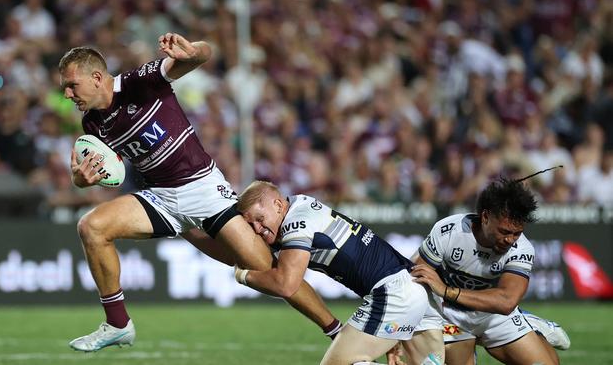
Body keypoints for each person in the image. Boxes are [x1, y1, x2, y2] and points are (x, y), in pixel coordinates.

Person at [58, 33, 339, 352]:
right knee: (91, 227)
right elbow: (110, 171)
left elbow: (202, 55)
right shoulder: (92, 124)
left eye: (72, 85)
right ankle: (118, 324)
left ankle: (336, 331)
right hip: (160, 198)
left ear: (97, 77)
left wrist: (194, 51)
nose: (67, 94)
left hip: (203, 190)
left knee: (270, 273)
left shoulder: (140, 82)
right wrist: (83, 181)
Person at [234, 180, 444, 365]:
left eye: (260, 219)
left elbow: (286, 285)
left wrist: (243, 276)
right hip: (414, 290)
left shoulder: (297, 223)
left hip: (394, 294)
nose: (257, 228)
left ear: (278, 205)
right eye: (251, 224)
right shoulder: (301, 203)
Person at [410, 175, 569, 365]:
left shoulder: (522, 249)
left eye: (517, 233)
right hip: (449, 318)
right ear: (485, 217)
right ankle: (509, 327)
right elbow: (416, 276)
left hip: (493, 316)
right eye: (504, 231)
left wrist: (447, 291)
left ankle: (523, 323)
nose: (510, 240)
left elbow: (506, 301)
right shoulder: (449, 231)